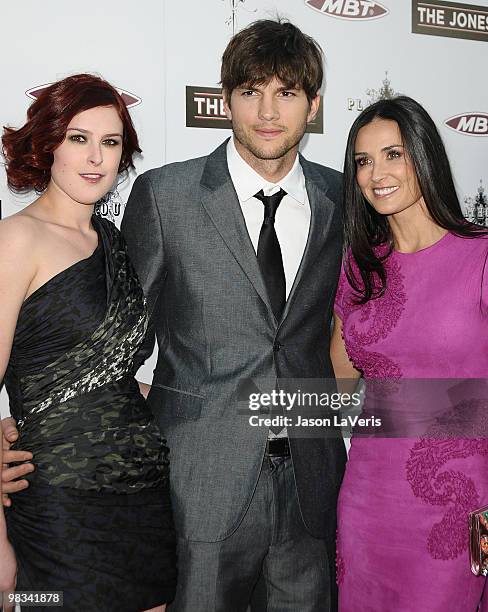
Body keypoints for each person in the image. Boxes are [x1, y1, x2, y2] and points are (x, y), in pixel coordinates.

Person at [121, 19, 346, 612]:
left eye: (287, 93)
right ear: (225, 102)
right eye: (251, 92)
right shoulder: (166, 197)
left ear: (314, 105)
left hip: (313, 481)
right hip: (201, 486)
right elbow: (118, 345)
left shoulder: (343, 199)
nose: (268, 112)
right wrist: (38, 422)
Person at [0, 74, 177, 612]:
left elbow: (106, 370)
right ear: (48, 144)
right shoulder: (17, 239)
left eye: (110, 141)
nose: (95, 157)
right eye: (79, 138)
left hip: (144, 497)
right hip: (58, 502)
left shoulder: (115, 244)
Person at [331, 96, 488, 611]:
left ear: (424, 156)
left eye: (393, 154)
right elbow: (337, 382)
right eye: (363, 160)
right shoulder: (360, 271)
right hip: (368, 504)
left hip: (458, 508)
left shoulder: (480, 256)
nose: (377, 173)